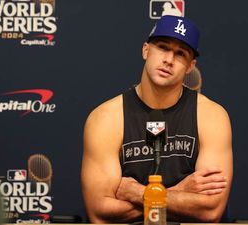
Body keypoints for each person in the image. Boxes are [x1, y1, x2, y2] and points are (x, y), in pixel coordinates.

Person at [81, 15, 233, 223]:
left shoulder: (211, 116)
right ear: (145, 50)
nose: (169, 60)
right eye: (162, 47)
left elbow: (210, 211)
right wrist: (180, 191)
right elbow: (99, 213)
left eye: (180, 54)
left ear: (190, 66)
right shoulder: (106, 118)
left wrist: (136, 193)